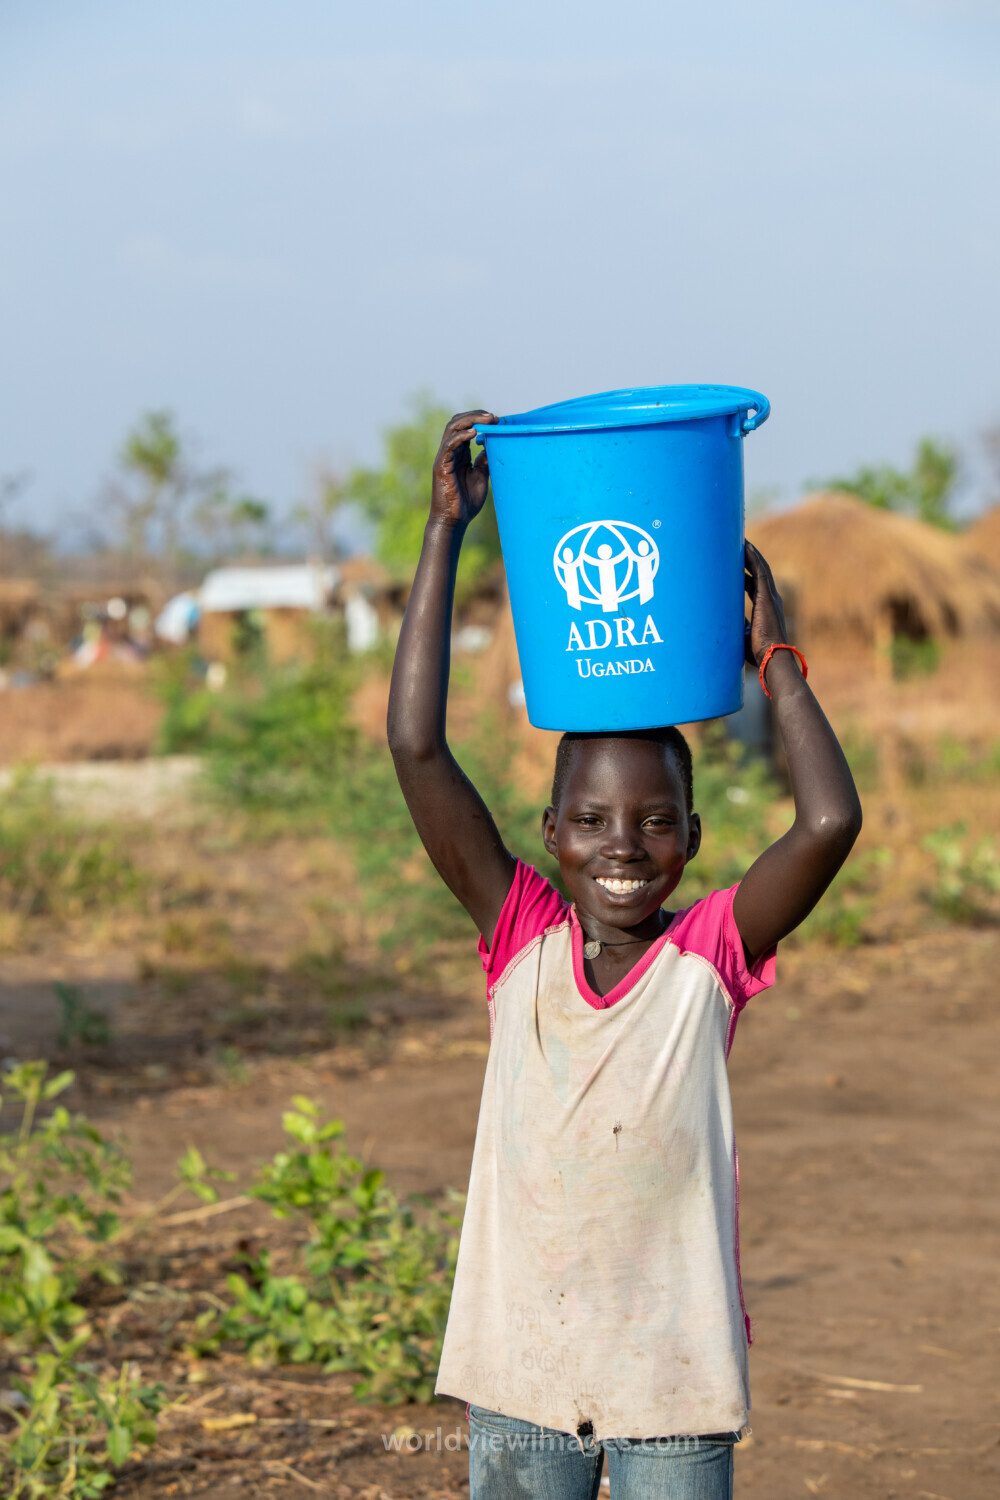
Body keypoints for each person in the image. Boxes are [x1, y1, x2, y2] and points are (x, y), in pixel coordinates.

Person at [387, 411, 863, 1500]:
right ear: (548, 835)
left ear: (692, 840)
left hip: (672, 1376)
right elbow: (415, 746)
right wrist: (444, 533)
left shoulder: (709, 956)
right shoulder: (519, 941)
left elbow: (827, 825)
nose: (622, 847)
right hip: (521, 1366)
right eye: (593, 821)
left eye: (655, 822)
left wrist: (775, 661)